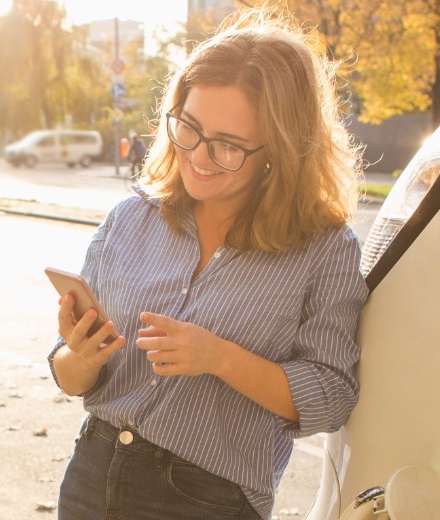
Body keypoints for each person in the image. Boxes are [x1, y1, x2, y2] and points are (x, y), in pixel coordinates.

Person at [49, 8, 367, 520]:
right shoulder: (131, 219)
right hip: (93, 472)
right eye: (189, 128)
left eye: (227, 146)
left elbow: (332, 397)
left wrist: (221, 358)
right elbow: (69, 377)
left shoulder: (324, 249)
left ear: (279, 150)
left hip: (208, 501)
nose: (198, 156)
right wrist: (80, 357)